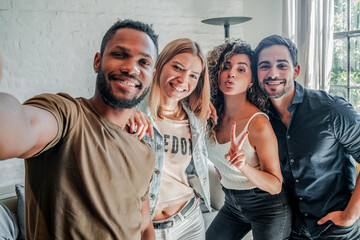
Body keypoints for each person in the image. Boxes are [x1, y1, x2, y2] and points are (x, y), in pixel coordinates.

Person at [0, 19, 159, 240]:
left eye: (144, 62)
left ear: (152, 75)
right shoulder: (69, 116)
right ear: (97, 61)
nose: (131, 68)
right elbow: (19, 127)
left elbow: (143, 227)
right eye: (120, 55)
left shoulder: (146, 152)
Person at [253, 35, 360, 239]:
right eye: (264, 66)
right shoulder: (259, 119)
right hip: (292, 228)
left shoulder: (331, 109)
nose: (273, 73)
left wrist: (351, 214)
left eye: (282, 65)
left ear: (296, 70)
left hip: (336, 227)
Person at [204, 40, 292, 240]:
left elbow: (275, 185)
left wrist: (243, 166)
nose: (231, 73)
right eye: (225, 67)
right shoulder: (210, 115)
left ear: (252, 80)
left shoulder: (258, 124)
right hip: (233, 204)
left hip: (268, 207)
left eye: (241, 69)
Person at [131, 38, 211, 239]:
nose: (184, 80)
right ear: (160, 64)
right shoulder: (132, 113)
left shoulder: (195, 119)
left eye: (193, 75)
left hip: (189, 220)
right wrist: (125, 114)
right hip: (145, 226)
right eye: (177, 67)